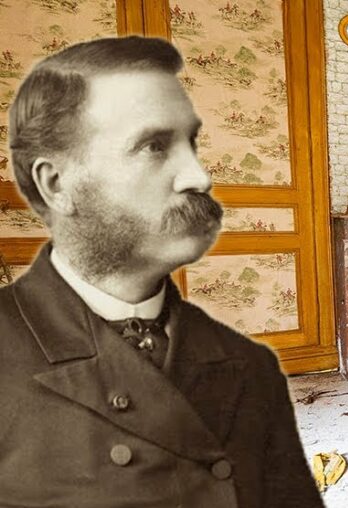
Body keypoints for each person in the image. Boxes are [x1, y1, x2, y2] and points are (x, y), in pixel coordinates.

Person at [0, 36, 322, 507]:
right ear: (57, 184)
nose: (200, 177)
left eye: (191, 143)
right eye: (154, 146)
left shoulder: (252, 366)